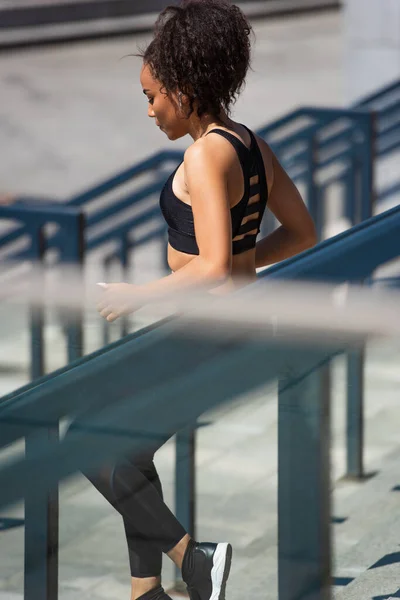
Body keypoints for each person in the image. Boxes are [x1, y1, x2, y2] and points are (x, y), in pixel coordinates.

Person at [91, 1, 317, 600]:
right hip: (228, 326)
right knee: (124, 450)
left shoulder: (204, 154)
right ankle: (148, 592)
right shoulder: (249, 143)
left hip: (209, 331)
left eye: (151, 96)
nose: (148, 110)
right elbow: (302, 233)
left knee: (88, 443)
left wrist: (138, 293)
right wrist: (245, 263)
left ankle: (194, 559)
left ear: (184, 90)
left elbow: (213, 265)